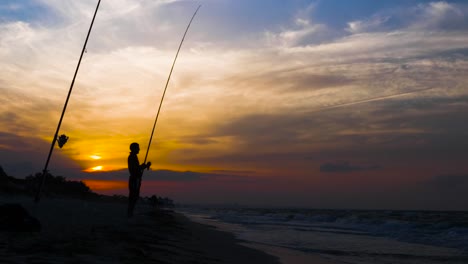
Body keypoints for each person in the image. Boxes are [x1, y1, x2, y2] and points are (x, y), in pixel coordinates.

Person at [127, 142, 151, 217]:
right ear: (134, 149)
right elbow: (135, 169)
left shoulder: (133, 157)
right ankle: (130, 213)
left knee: (135, 196)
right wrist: (144, 166)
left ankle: (130, 212)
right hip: (134, 179)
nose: (139, 149)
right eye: (138, 148)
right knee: (134, 196)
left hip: (136, 178)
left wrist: (145, 166)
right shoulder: (132, 157)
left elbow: (137, 168)